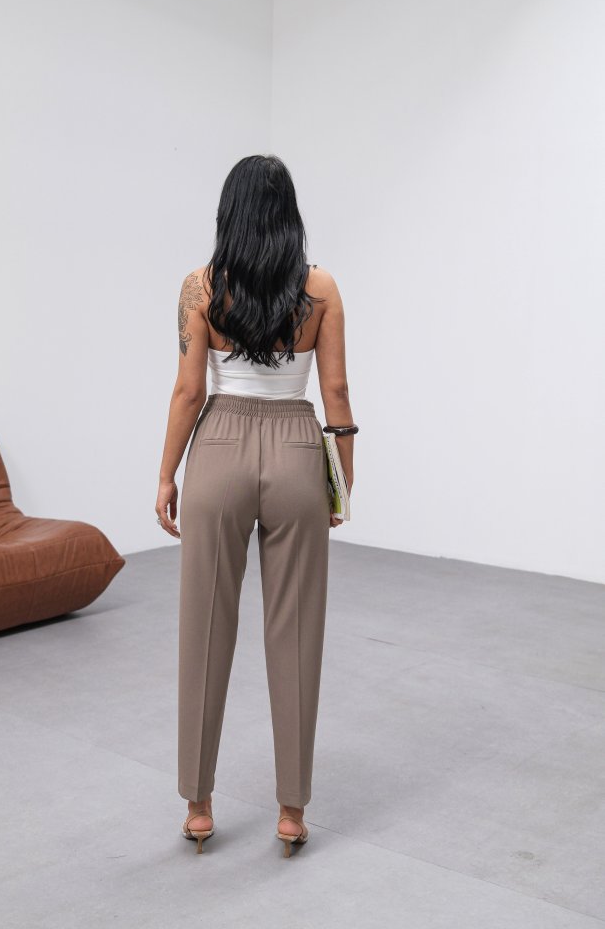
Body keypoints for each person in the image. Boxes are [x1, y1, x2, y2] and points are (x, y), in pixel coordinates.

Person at [155, 154, 357, 857]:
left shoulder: (201, 285)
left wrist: (166, 475)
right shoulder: (320, 288)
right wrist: (341, 481)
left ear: (229, 211)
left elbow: (189, 392)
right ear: (288, 214)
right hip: (298, 447)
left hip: (218, 447)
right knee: (296, 629)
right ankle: (291, 812)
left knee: (205, 625)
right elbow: (336, 394)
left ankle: (198, 805)